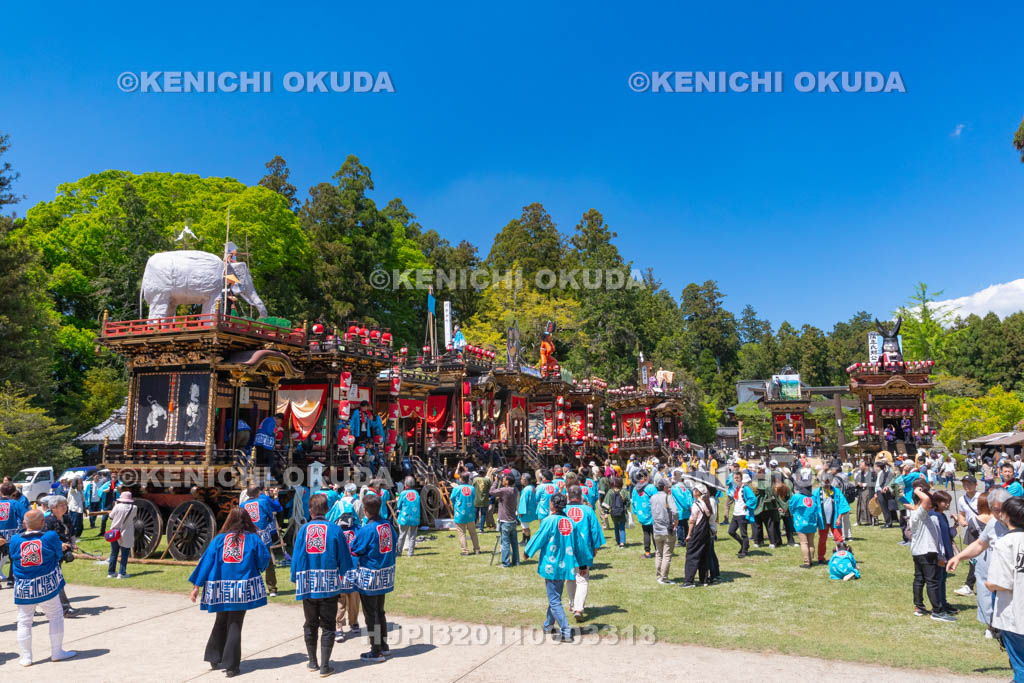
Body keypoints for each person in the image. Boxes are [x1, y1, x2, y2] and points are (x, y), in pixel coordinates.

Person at [189, 507, 271, 677]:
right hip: (242, 587)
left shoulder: (219, 540)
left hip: (220, 587)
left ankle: (214, 656)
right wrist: (256, 569)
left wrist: (197, 585)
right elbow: (264, 559)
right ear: (248, 520)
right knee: (235, 623)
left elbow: (206, 562)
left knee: (221, 620)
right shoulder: (253, 539)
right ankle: (231, 666)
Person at [291, 493, 355, 677]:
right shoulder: (335, 530)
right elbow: (344, 557)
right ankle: (325, 666)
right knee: (328, 625)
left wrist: (295, 576)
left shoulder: (303, 530)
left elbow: (297, 555)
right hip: (328, 584)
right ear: (327, 510)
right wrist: (345, 573)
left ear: (310, 511)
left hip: (308, 584)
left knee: (310, 623)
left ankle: (312, 662)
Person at [5, 509, 76, 666]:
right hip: (47, 585)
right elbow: (58, 555)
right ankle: (57, 652)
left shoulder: (16, 539)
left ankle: (26, 657)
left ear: (25, 523)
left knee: (24, 621)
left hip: (24, 587)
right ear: (43, 523)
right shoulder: (50, 536)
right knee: (55, 615)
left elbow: (13, 556)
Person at [947, 487, 1011, 638]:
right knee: (990, 601)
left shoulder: (1018, 521)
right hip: (997, 575)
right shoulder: (993, 524)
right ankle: (993, 627)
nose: (1000, 513)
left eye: (1003, 509)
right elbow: (979, 544)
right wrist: (958, 557)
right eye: (996, 510)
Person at [524, 493, 587, 643]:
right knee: (555, 597)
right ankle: (548, 625)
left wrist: (528, 551)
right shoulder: (571, 522)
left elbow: (539, 537)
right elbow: (579, 544)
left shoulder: (548, 521)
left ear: (552, 504)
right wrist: (582, 563)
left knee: (554, 599)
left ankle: (566, 631)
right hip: (566, 564)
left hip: (551, 565)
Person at [349, 493, 396, 663]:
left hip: (370, 574)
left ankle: (376, 651)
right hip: (385, 572)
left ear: (366, 510)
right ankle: (383, 645)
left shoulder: (367, 529)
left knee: (371, 614)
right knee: (380, 611)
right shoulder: (387, 524)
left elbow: (355, 547)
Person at [983, 496, 1024, 681]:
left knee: (1021, 665)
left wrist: (989, 584)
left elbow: (1000, 582)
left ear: (1005, 516)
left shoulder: (1005, 542)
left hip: (1015, 614)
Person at [909, 484, 955, 622]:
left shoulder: (924, 515)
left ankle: (920, 606)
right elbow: (926, 501)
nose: (930, 505)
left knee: (919, 579)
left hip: (919, 551)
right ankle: (937, 610)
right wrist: (918, 490)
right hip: (926, 552)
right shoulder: (919, 514)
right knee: (932, 582)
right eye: (928, 503)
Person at [565, 484, 603, 618]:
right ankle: (579, 608)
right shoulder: (588, 511)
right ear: (581, 496)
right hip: (584, 550)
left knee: (570, 578)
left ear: (568, 496)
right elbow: (595, 531)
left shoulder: (562, 510)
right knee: (582, 578)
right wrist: (595, 548)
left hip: (566, 550)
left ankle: (572, 604)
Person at [242, 485, 283, 597]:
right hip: (263, 535)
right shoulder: (263, 502)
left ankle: (250, 589)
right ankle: (272, 589)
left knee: (250, 561)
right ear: (258, 493)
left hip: (249, 536)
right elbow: (270, 516)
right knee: (268, 561)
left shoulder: (242, 505)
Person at [42, 495, 76, 616]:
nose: (65, 507)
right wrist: (59, 545)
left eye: (65, 505)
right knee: (56, 579)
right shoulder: (48, 521)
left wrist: (73, 543)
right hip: (51, 555)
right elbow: (45, 539)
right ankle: (65, 608)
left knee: (51, 581)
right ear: (53, 507)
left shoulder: (67, 518)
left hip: (62, 553)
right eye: (62, 505)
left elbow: (71, 532)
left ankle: (34, 605)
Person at [333, 507, 362, 643]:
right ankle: (338, 626)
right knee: (340, 598)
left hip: (353, 567)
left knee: (354, 596)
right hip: (340, 568)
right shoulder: (334, 529)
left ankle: (353, 622)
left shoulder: (357, 528)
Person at [680, 483, 715, 587]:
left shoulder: (696, 505)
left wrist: (689, 534)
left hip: (698, 532)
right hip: (706, 533)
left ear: (698, 492)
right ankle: (704, 579)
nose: (692, 491)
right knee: (704, 555)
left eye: (694, 490)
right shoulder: (707, 503)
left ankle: (689, 581)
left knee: (691, 555)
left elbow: (692, 521)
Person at [813, 472, 851, 564]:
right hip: (823, 521)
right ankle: (821, 558)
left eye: (828, 482)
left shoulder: (836, 492)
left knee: (839, 539)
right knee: (822, 539)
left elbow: (843, 505)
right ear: (821, 482)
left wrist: (839, 518)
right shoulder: (816, 492)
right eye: (824, 482)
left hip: (835, 520)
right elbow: (813, 506)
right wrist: (815, 517)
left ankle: (842, 556)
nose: (826, 485)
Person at [953, 477, 981, 597]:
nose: (967, 486)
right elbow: (962, 514)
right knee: (973, 558)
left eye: (969, 483)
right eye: (964, 484)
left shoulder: (982, 497)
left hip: (983, 530)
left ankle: (970, 585)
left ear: (976, 484)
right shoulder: (961, 499)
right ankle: (969, 585)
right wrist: (961, 520)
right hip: (971, 530)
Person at [650, 479, 678, 584]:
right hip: (667, 529)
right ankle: (664, 577)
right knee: (666, 555)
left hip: (656, 529)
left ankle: (659, 576)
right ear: (664, 487)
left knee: (658, 553)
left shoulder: (652, 497)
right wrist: (676, 523)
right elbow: (675, 511)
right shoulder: (668, 497)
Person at [490, 474, 520, 568]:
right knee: (514, 542)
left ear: (507, 482)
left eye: (503, 479)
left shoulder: (504, 490)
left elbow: (491, 491)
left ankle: (506, 563)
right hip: (512, 520)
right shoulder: (514, 490)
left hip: (505, 521)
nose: (502, 480)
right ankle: (516, 561)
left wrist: (496, 481)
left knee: (505, 542)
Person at [789, 476, 820, 569]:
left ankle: (806, 562)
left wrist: (792, 513)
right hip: (812, 523)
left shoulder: (796, 497)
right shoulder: (813, 497)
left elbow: (791, 507)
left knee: (803, 543)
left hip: (800, 523)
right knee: (811, 543)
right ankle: (811, 561)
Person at [106, 490, 137, 579]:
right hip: (126, 533)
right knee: (124, 554)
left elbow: (111, 517)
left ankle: (111, 572)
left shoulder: (117, 506)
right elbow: (133, 517)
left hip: (115, 532)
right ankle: (121, 573)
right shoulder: (134, 507)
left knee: (113, 553)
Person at [727, 472, 757, 559]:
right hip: (735, 513)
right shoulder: (737, 488)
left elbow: (753, 499)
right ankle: (743, 544)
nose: (736, 479)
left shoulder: (745, 488)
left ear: (741, 478)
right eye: (735, 478)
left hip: (742, 513)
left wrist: (746, 504)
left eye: (738, 477)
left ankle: (744, 550)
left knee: (744, 533)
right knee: (731, 531)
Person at [451, 470, 479, 555]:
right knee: (473, 532)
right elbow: (474, 498)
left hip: (459, 514)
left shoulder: (457, 489)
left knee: (461, 533)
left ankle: (465, 550)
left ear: (461, 479)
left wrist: (455, 506)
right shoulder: (472, 488)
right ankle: (477, 549)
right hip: (470, 513)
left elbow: (452, 498)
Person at [631, 471, 656, 558]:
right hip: (652, 514)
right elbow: (657, 499)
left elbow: (633, 501)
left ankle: (647, 553)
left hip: (641, 514)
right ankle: (658, 552)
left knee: (646, 533)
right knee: (654, 533)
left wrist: (636, 512)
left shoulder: (635, 488)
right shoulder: (651, 487)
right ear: (645, 477)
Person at [254, 413, 285, 479]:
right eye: (281, 421)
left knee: (260, 463)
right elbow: (269, 431)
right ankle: (267, 478)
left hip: (259, 443)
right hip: (265, 445)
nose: (280, 424)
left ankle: (260, 479)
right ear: (278, 419)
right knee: (270, 463)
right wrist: (278, 429)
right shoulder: (272, 421)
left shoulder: (267, 419)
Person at [602, 476, 628, 548]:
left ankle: (618, 541)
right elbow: (627, 501)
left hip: (613, 512)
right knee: (622, 527)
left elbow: (606, 503)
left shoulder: (610, 491)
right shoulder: (623, 491)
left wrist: (606, 513)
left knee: (616, 526)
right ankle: (622, 543)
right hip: (622, 512)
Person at [517, 472, 537, 561]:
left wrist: (521, 511)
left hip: (526, 510)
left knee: (525, 527)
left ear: (525, 480)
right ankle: (524, 540)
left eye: (521, 479)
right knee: (524, 526)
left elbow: (523, 501)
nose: (521, 480)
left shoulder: (526, 490)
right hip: (531, 509)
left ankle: (528, 542)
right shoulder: (532, 487)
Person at [670, 471, 693, 549]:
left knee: (679, 525)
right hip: (686, 510)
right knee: (685, 524)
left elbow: (681, 499)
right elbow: (689, 497)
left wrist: (686, 506)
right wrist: (690, 506)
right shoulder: (684, 487)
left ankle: (681, 541)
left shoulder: (675, 488)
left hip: (680, 510)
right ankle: (687, 538)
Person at [854, 460, 876, 527]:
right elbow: (856, 480)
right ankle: (859, 521)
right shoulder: (860, 473)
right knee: (860, 506)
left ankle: (870, 521)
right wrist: (858, 483)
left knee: (867, 506)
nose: (860, 466)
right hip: (860, 491)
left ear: (866, 466)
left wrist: (864, 484)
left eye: (861, 465)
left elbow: (874, 483)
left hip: (868, 491)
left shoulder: (872, 473)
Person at [875, 459, 896, 528]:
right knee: (884, 508)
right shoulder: (880, 473)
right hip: (880, 491)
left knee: (890, 507)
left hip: (888, 491)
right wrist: (877, 492)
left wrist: (886, 487)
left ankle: (892, 520)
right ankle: (888, 523)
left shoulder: (891, 472)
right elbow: (877, 483)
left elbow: (892, 481)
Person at [472, 468, 492, 533]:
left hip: (476, 499)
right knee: (483, 514)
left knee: (475, 514)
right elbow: (489, 488)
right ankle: (481, 529)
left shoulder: (475, 479)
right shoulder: (487, 480)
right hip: (484, 500)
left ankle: (473, 528)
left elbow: (473, 487)